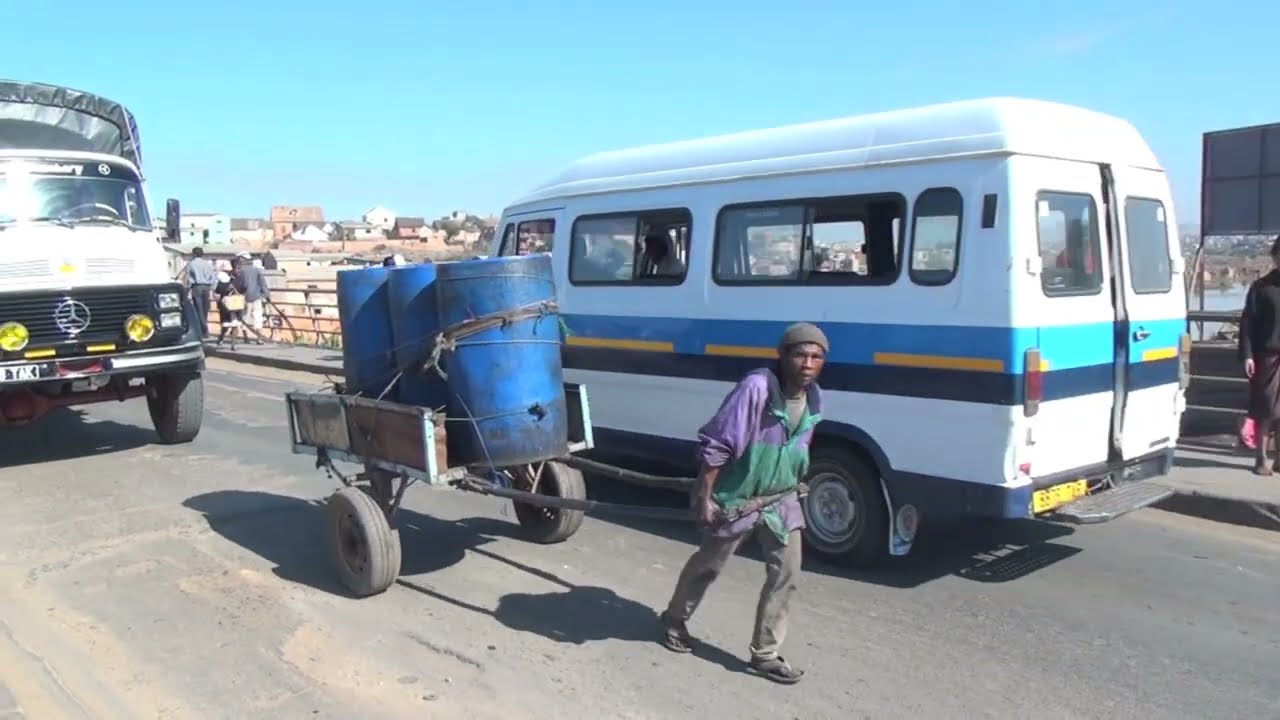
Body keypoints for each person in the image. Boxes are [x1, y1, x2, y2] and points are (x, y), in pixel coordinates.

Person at [659, 322, 827, 684]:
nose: (808, 364)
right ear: (782, 355)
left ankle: (765, 654)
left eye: (816, 357)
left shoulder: (814, 398)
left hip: (781, 498)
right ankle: (674, 618)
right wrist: (705, 497)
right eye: (800, 355)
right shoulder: (757, 388)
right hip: (738, 496)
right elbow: (719, 443)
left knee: (787, 574)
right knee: (710, 564)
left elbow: (798, 446)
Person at [1238, 235, 1280, 475]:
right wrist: (1247, 355)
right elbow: (1248, 323)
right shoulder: (1261, 288)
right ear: (1275, 257)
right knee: (1265, 410)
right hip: (1267, 356)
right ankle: (1261, 459)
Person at [233, 251, 271, 343]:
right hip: (257, 296)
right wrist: (266, 295)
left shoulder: (241, 272)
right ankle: (259, 338)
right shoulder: (256, 270)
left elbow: (240, 285)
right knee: (258, 317)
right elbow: (263, 284)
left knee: (245, 317)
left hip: (245, 297)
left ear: (242, 260)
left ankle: (246, 337)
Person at [183, 247, 217, 339]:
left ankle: (203, 329)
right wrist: (213, 288)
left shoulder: (191, 264)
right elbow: (213, 277)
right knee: (205, 309)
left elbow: (188, 278)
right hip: (206, 287)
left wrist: (187, 290)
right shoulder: (207, 264)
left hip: (196, 287)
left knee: (198, 309)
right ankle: (204, 329)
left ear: (194, 254)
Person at [214, 267, 247, 350]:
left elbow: (242, 292)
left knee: (234, 325)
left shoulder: (237, 281)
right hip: (228, 307)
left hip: (234, 306)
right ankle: (222, 338)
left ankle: (233, 344)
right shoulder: (222, 283)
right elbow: (217, 295)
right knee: (226, 326)